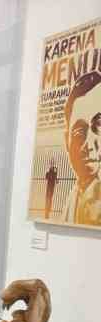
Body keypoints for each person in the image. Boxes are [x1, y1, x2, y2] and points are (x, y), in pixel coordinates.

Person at [63, 71, 101, 225]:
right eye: (79, 133)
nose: (89, 145)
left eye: (99, 125)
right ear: (67, 141)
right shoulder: (74, 197)